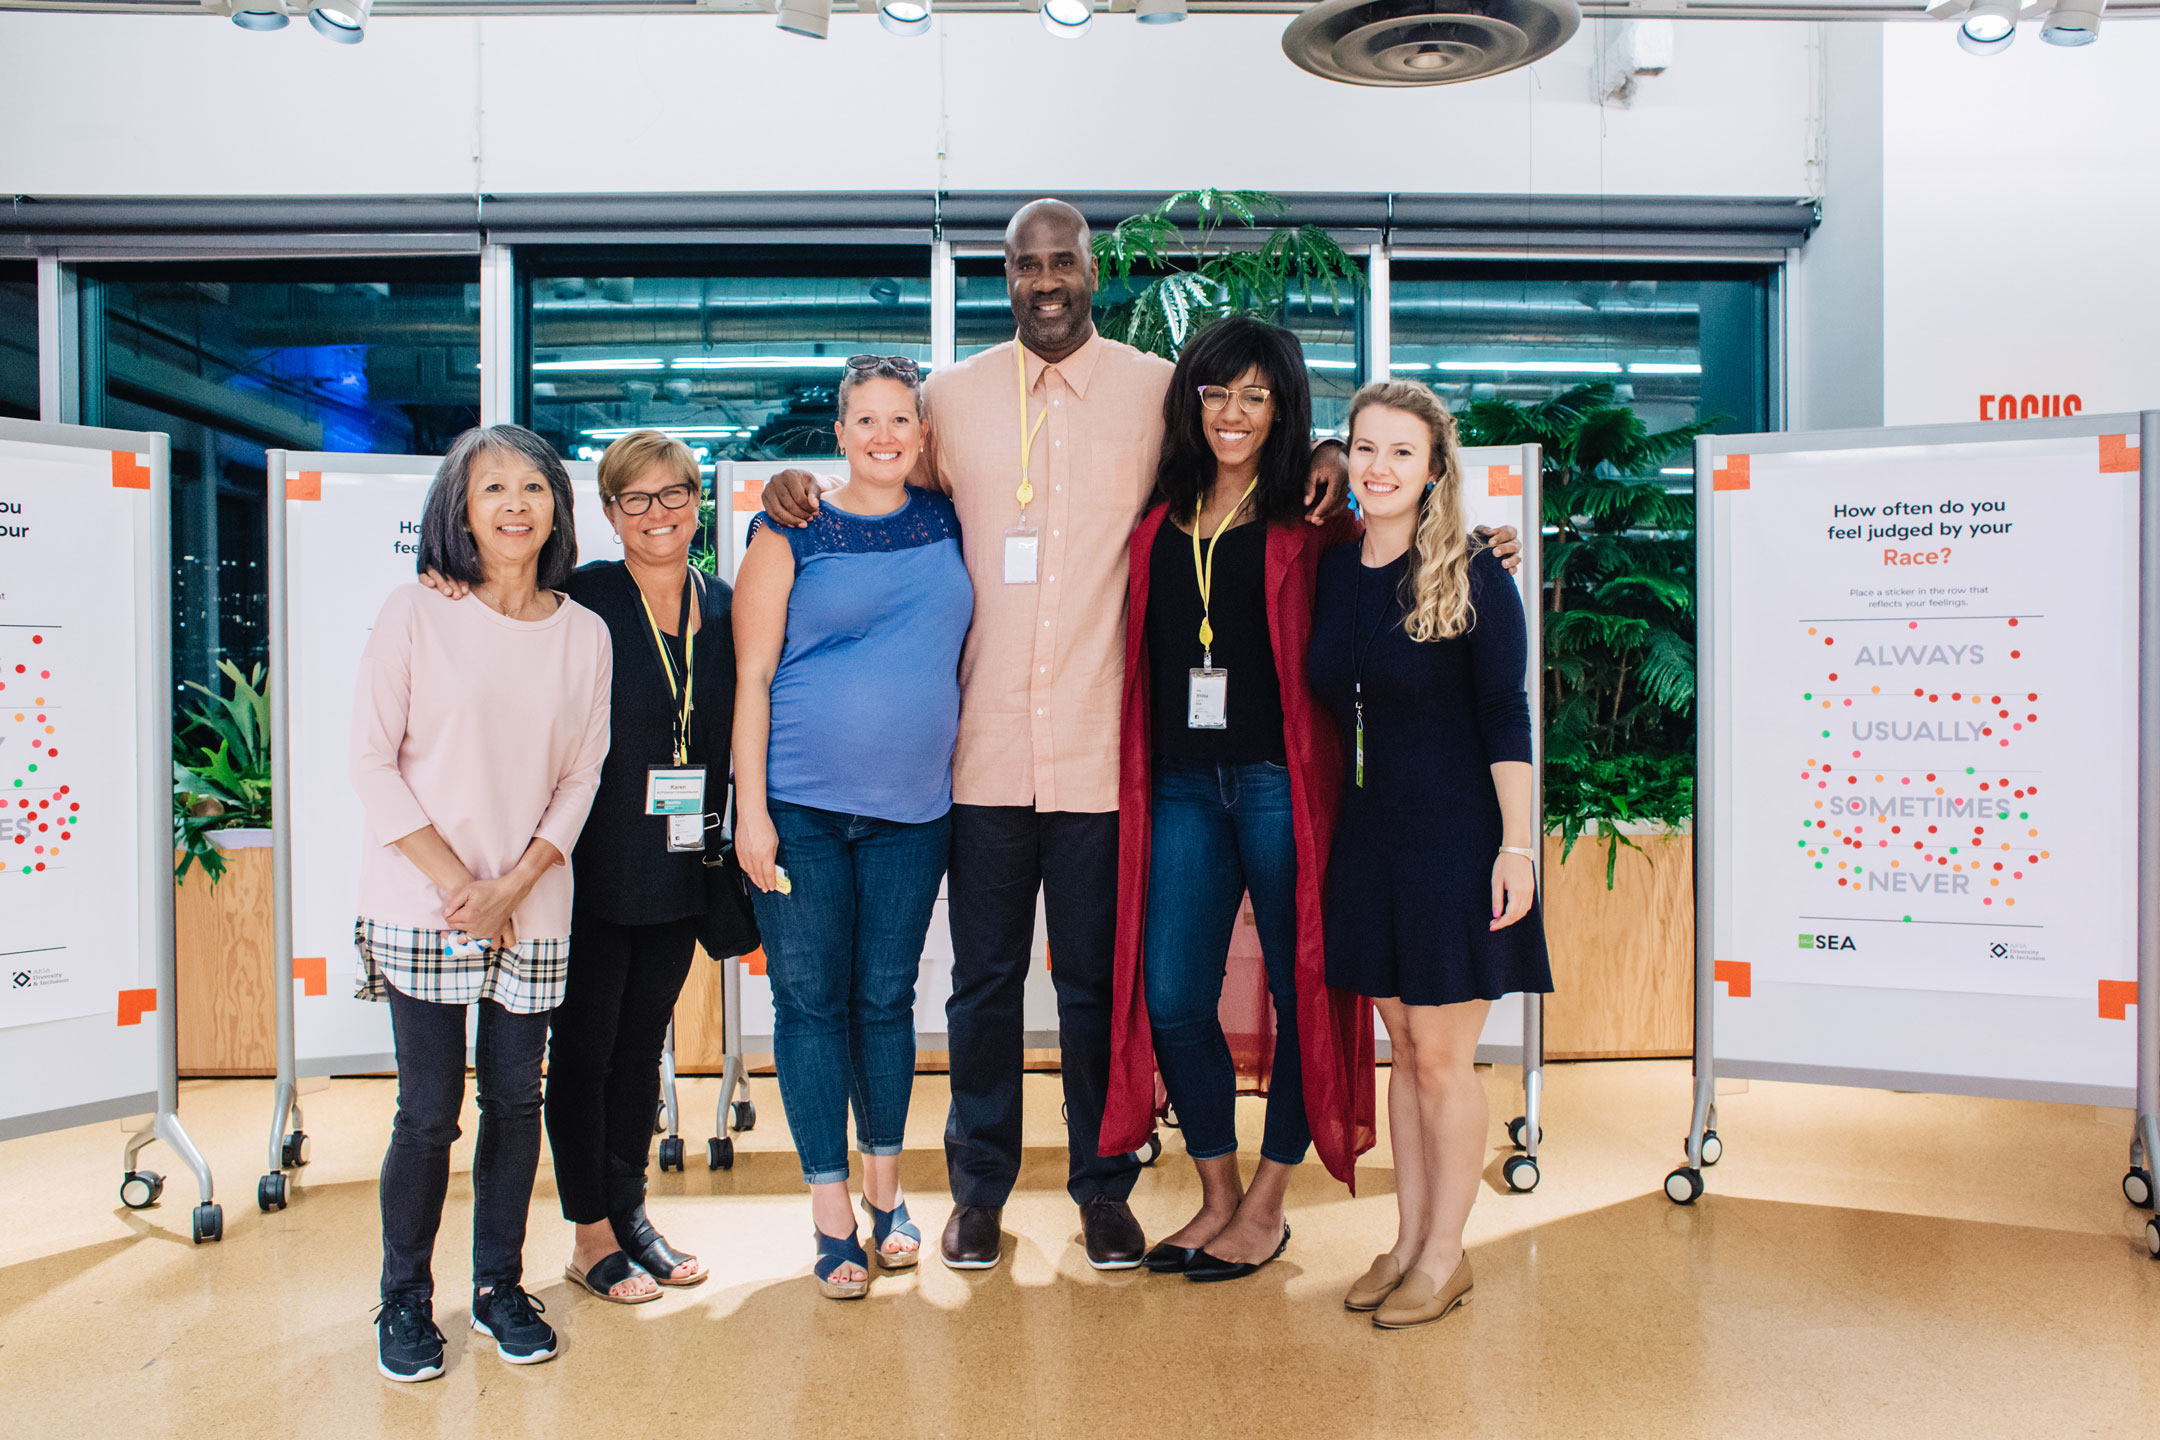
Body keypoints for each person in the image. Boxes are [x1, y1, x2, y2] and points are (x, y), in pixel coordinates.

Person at [1098, 315, 1373, 1283]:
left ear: (1285, 407)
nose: (1233, 413)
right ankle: (1215, 1194)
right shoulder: (1158, 515)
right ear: (1192, 401)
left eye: (1257, 395)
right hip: (1179, 785)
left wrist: (1483, 547)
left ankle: (1267, 1203)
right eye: (1217, 392)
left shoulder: (1315, 517)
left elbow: (1404, 535)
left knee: (1305, 992)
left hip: (1278, 783)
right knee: (1171, 996)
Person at [350, 424, 612, 1381]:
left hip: (532, 903)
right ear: (460, 508)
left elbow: (582, 778)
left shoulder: (583, 632)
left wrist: (514, 884)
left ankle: (500, 1285)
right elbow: (372, 763)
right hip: (425, 902)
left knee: (515, 1099)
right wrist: (463, 886)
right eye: (492, 488)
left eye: (533, 488)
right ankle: (404, 1301)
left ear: (557, 508)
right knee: (427, 1111)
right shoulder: (415, 612)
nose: (514, 505)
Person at [1307, 380, 1552, 1330]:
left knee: (1445, 1061)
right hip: (1371, 841)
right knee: (1402, 1052)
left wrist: (1518, 848)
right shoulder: (1336, 569)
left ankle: (1448, 1256)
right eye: (1365, 447)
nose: (1379, 467)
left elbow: (1506, 716)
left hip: (1459, 842)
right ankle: (1408, 1241)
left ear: (1436, 467)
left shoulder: (1477, 575)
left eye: (1401, 452)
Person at [734, 355, 974, 1298]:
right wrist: (750, 813)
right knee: (809, 1004)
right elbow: (750, 681)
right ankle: (831, 1211)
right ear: (838, 434)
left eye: (899, 421)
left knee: (884, 1000)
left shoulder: (948, 518)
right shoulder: (788, 525)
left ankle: (888, 1191)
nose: (883, 436)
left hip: (914, 812)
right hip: (799, 808)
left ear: (922, 434)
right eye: (864, 421)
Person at [544, 431, 734, 1302]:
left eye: (674, 494)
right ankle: (589, 1235)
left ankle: (631, 1215)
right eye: (636, 499)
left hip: (680, 863)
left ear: (698, 499)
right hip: (587, 864)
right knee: (585, 1053)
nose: (658, 514)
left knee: (638, 1053)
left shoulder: (726, 604)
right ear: (609, 511)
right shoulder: (576, 600)